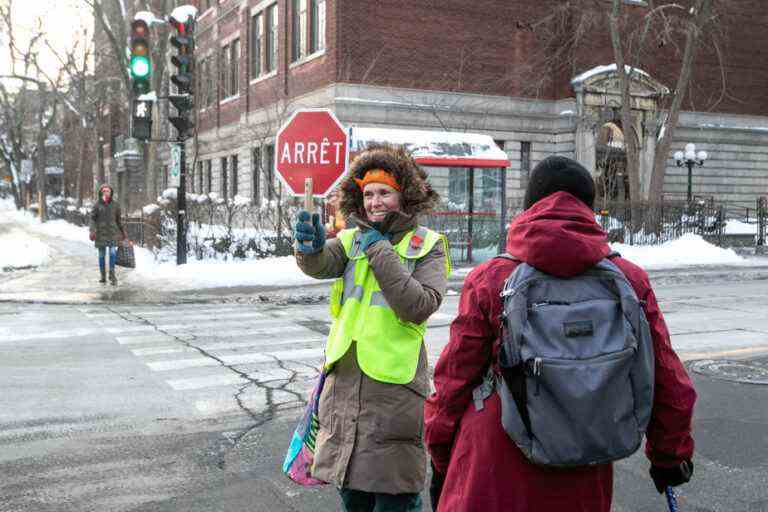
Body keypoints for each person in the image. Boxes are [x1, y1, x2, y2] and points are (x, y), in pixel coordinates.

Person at [424, 156, 697, 511]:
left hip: (496, 458)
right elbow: (665, 376)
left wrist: (441, 452)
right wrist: (669, 455)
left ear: (529, 208)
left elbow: (454, 380)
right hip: (586, 454)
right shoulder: (629, 278)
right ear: (589, 209)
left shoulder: (491, 278)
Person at [293, 144, 451, 512]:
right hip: (345, 388)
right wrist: (309, 248)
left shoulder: (427, 246)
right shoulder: (351, 240)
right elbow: (319, 265)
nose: (375, 202)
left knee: (394, 499)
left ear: (404, 196)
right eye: (368, 194)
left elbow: (419, 305)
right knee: (353, 497)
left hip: (393, 392)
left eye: (384, 193)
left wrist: (379, 249)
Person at [89, 184, 127, 286]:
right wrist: (92, 231)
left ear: (111, 193)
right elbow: (92, 218)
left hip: (113, 233)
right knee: (101, 255)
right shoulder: (97, 205)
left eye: (108, 191)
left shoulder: (115, 205)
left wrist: (123, 233)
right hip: (100, 233)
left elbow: (119, 220)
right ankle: (102, 276)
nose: (106, 193)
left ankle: (112, 274)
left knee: (112, 253)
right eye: (104, 191)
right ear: (101, 192)